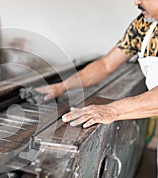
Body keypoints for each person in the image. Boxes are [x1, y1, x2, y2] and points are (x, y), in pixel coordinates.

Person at [36, 0, 158, 131]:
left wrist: (112, 110)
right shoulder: (142, 25)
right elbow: (105, 65)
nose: (136, 2)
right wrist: (63, 86)